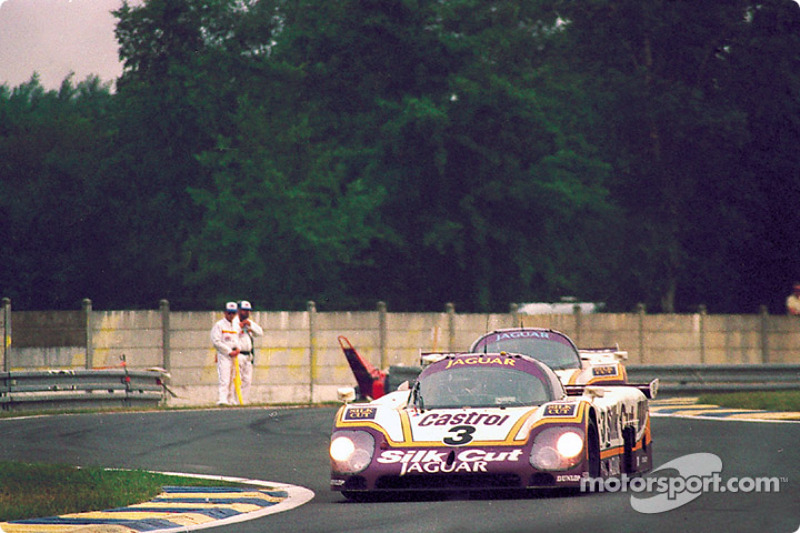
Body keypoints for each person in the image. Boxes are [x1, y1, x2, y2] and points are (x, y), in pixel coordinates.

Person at [210, 301, 241, 405]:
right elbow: (216, 342)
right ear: (225, 312)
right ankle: (222, 399)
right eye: (229, 313)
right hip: (224, 355)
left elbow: (237, 339)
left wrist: (237, 349)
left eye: (233, 313)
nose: (231, 315)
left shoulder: (236, 326)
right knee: (224, 378)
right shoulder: (219, 325)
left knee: (233, 378)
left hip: (234, 355)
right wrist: (228, 351)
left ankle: (230, 399)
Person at [235, 300, 263, 404]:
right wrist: (239, 327)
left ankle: (244, 402)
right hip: (237, 354)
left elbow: (260, 332)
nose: (246, 313)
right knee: (237, 380)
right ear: (238, 310)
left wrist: (250, 325)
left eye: (248, 311)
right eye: (244, 310)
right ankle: (235, 402)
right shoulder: (233, 323)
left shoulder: (249, 323)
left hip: (248, 355)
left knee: (247, 380)